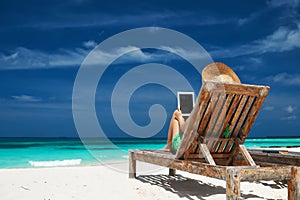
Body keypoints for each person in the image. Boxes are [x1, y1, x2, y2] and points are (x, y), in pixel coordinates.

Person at [163, 62, 241, 153]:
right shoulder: (233, 110)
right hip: (217, 148)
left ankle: (168, 146)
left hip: (193, 149)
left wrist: (180, 117)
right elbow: (227, 133)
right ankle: (168, 146)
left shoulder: (205, 107)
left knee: (176, 115)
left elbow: (185, 128)